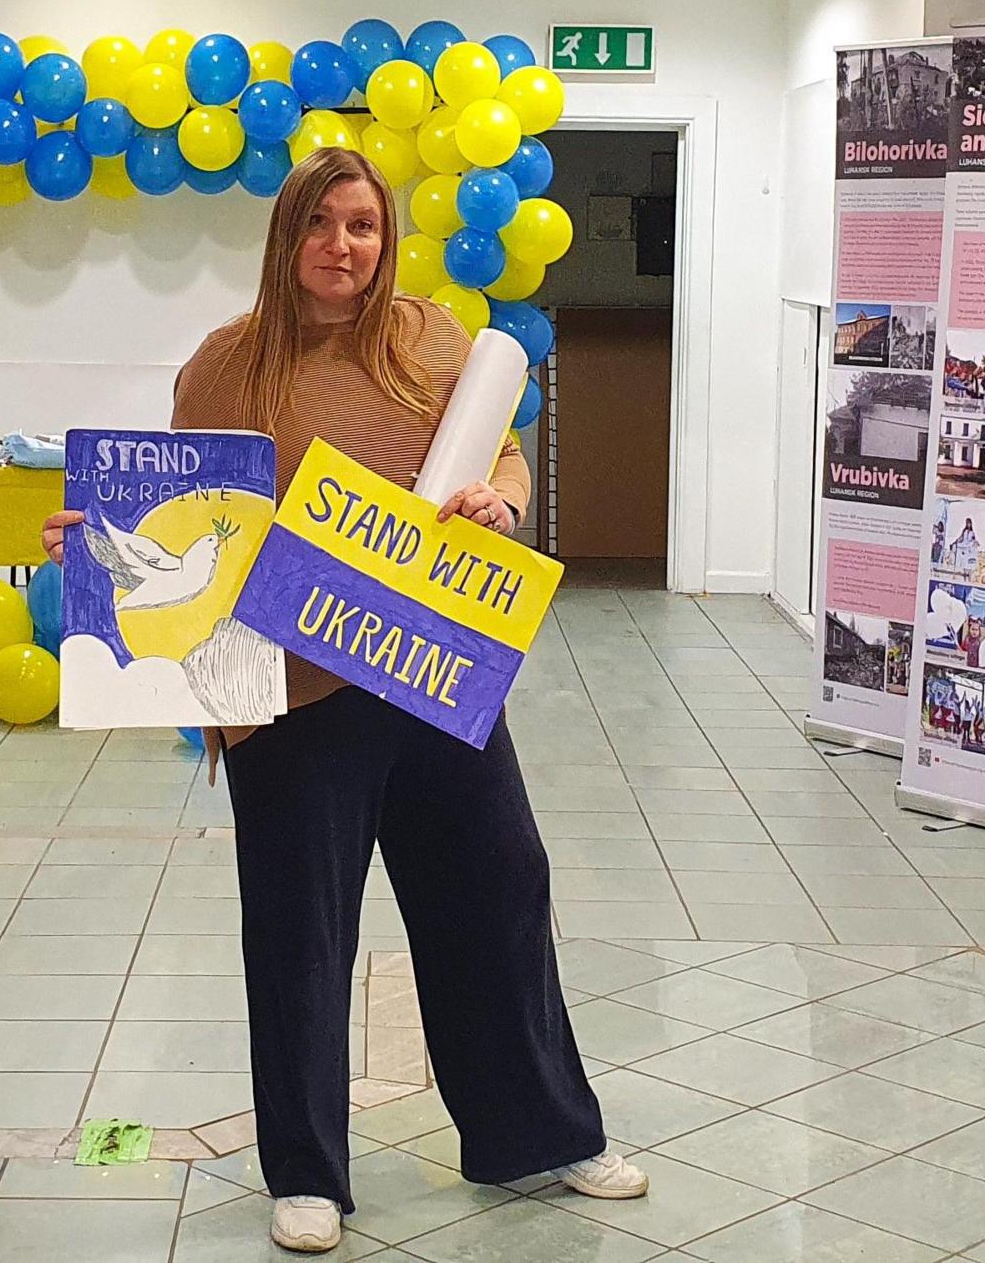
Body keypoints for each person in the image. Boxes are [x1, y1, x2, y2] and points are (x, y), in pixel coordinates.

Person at [40, 148, 643, 1254]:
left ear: (386, 236)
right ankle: (307, 1173)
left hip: (429, 673)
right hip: (290, 695)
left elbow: (503, 455)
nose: (342, 247)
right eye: (320, 225)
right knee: (299, 932)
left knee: (500, 894)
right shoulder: (224, 365)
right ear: (286, 239)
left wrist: (499, 505)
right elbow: (178, 511)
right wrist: (99, 546)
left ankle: (540, 1134)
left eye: (362, 225)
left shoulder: (434, 341)